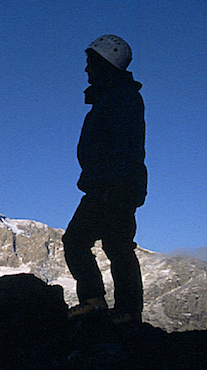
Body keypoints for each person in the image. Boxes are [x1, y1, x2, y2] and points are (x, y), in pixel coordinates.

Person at [63, 35, 147, 324]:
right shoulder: (115, 97)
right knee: (117, 244)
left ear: (105, 63)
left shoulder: (119, 98)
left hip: (110, 184)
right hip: (115, 182)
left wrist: (114, 185)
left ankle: (95, 301)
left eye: (90, 63)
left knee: (76, 240)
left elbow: (124, 145)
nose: (86, 70)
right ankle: (126, 310)